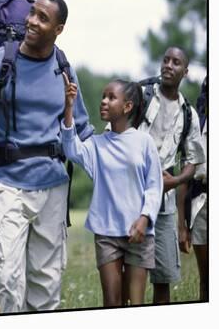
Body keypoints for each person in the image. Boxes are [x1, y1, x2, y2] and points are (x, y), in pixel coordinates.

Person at [0, 0, 94, 313]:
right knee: (3, 283)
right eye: (32, 14)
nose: (32, 21)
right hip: (8, 185)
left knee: (45, 287)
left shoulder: (64, 68)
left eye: (42, 17)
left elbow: (83, 131)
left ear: (59, 29)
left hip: (53, 188)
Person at [61, 77, 163, 307]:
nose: (104, 101)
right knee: (112, 303)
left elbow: (154, 187)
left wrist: (145, 218)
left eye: (111, 97)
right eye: (103, 97)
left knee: (136, 303)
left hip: (139, 232)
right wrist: (69, 107)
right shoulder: (96, 144)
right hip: (106, 233)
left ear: (127, 107)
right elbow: (71, 148)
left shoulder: (144, 142)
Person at [137, 46, 205, 304]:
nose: (168, 65)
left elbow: (193, 162)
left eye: (176, 62)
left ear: (185, 72)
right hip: (130, 196)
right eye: (165, 60)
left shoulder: (189, 113)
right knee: (131, 270)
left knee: (163, 275)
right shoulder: (140, 95)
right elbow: (114, 136)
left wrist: (173, 182)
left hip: (164, 206)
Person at [177, 76, 208, 301]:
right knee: (206, 278)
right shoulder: (199, 123)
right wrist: (182, 224)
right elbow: (187, 174)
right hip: (201, 201)